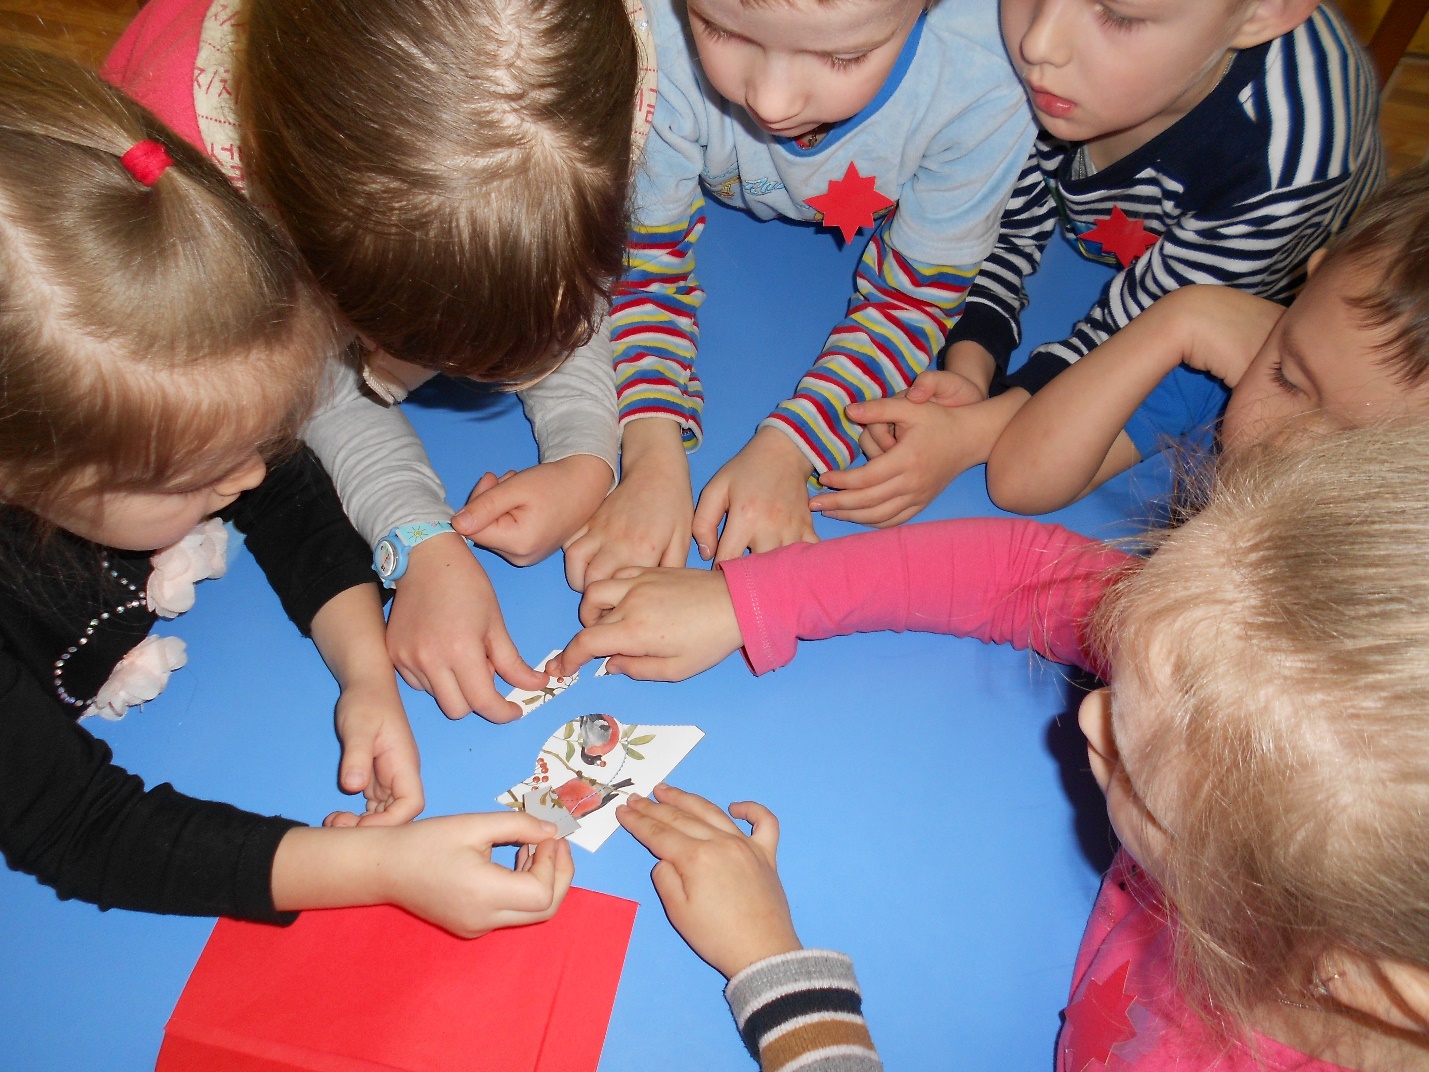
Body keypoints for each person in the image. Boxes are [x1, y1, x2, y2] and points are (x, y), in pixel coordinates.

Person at [578, 425, 1429, 1070]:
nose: (1088, 717)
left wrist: (774, 970)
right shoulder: (1244, 668)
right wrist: (751, 601)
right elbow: (1030, 574)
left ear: (1364, 976)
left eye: (1139, 768)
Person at [0, 48, 572, 934]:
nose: (250, 475)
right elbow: (83, 828)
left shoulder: (142, 434)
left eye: (256, 439)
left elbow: (284, 493)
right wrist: (377, 869)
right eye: (199, 474)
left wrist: (365, 671)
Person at [102, 0, 650, 719]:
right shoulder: (201, 224)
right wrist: (415, 536)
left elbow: (561, 281)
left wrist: (585, 454)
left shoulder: (582, 84)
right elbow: (313, 388)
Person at [811, 0, 1385, 528]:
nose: (1039, 44)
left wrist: (971, 432)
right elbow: (1000, 212)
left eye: (1119, 15)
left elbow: (1141, 336)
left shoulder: (1288, 157)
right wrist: (970, 368)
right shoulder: (1042, 53)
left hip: (1251, 296)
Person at [566, 0, 1034, 577]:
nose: (771, 101)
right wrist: (649, 449)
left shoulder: (981, 76)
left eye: (844, 57)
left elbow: (913, 301)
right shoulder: (651, 33)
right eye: (719, 29)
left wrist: (794, 447)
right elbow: (642, 262)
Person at [985, 162, 1429, 513]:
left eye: (1357, 447)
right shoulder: (1235, 365)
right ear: (1306, 289)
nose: (1289, 444)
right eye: (1288, 380)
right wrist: (1181, 318)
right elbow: (1020, 480)